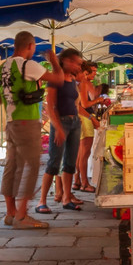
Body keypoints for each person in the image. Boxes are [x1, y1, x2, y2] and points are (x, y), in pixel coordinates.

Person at [0, 32, 54, 230]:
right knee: (31, 166)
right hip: (27, 121)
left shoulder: (0, 68)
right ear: (30, 45)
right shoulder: (27, 65)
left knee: (11, 166)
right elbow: (58, 79)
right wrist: (54, 61)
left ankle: (10, 213)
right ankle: (22, 216)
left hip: (11, 121)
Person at [36, 47, 84, 213]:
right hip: (60, 123)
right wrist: (57, 127)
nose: (79, 67)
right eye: (77, 63)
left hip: (74, 122)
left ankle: (66, 197)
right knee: (54, 162)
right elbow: (50, 106)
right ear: (68, 61)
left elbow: (75, 102)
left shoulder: (72, 79)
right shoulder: (55, 80)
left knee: (70, 163)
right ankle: (41, 201)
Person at [73, 61, 100, 194]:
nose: (93, 74)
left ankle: (77, 179)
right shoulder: (82, 83)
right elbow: (83, 104)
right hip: (85, 117)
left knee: (80, 153)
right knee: (84, 153)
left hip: (82, 118)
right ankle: (84, 182)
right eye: (91, 71)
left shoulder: (82, 83)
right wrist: (98, 101)